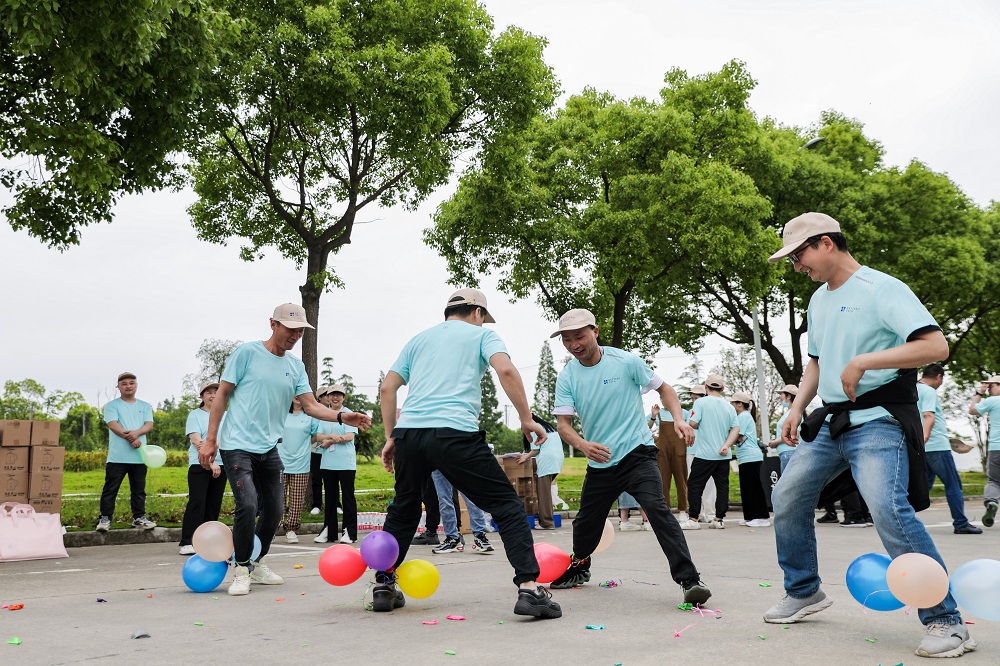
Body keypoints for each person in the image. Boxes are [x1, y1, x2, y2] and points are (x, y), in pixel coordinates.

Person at [764, 212, 974, 658]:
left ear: (825, 243)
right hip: (831, 422)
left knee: (887, 508)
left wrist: (865, 361)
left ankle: (946, 619)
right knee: (787, 496)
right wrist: (797, 408)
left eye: (798, 256)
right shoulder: (817, 300)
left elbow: (936, 346)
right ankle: (804, 590)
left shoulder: (882, 288)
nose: (796, 266)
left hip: (879, 420)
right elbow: (816, 361)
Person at [378, 289, 560, 618]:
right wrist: (526, 418)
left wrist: (392, 436)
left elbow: (388, 387)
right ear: (477, 312)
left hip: (410, 435)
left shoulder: (418, 339)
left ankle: (383, 585)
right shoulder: (483, 336)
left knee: (404, 510)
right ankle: (530, 589)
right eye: (483, 318)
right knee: (506, 505)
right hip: (454, 432)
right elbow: (506, 371)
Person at [198, 303, 370, 597]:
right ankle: (241, 568)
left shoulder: (295, 366)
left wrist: (343, 417)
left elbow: (312, 406)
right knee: (248, 504)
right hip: (236, 445)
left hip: (269, 448)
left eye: (300, 330)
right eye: (290, 329)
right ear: (273, 324)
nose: (295, 335)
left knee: (276, 510)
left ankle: (257, 561)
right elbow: (222, 395)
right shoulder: (247, 353)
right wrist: (211, 439)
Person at [547, 308, 711, 605]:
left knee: (657, 510)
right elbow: (563, 426)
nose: (574, 345)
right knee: (584, 525)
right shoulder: (568, 377)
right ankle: (580, 565)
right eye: (567, 340)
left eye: (579, 337)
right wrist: (583, 445)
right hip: (600, 461)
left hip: (637, 454)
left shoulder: (626, 361)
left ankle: (690, 580)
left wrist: (679, 419)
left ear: (595, 332)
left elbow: (665, 389)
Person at [919, 365, 979, 534]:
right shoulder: (928, 391)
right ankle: (961, 524)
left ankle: (897, 519)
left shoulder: (911, 390)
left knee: (923, 487)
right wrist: (927, 437)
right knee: (953, 485)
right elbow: (928, 416)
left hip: (921, 447)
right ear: (939, 376)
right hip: (936, 446)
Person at [96, 372, 157, 532]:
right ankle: (105, 518)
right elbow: (113, 424)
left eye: (131, 383)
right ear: (118, 386)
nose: (128, 386)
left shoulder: (145, 406)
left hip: (140, 456)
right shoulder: (112, 405)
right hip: (117, 457)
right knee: (110, 489)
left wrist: (136, 434)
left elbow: (148, 425)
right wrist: (131, 438)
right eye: (124, 383)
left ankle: (139, 518)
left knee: (139, 490)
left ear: (136, 385)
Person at [680, 374, 739, 530]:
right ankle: (718, 519)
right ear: (722, 389)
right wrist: (726, 445)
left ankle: (693, 519)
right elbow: (735, 429)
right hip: (723, 453)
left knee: (694, 485)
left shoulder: (700, 402)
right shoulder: (729, 407)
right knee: (722, 487)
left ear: (706, 387)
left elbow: (692, 423)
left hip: (705, 454)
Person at [179, 382, 228, 554]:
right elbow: (197, 441)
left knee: (214, 504)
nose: (213, 395)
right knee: (197, 502)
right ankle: (187, 541)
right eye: (209, 392)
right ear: (202, 396)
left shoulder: (226, 415)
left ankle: (207, 542)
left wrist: (216, 458)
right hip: (199, 463)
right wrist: (210, 462)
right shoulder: (195, 415)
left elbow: (228, 438)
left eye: (216, 392)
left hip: (222, 464)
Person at [314, 384, 360, 544]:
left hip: (345, 463)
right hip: (328, 462)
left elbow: (349, 436)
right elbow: (318, 436)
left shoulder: (348, 414)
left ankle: (349, 532)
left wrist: (331, 440)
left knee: (348, 497)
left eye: (339, 395)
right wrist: (330, 437)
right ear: (327, 397)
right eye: (332, 394)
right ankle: (329, 531)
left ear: (343, 397)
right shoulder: (324, 414)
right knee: (330, 498)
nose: (335, 397)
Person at [278, 394, 318, 543]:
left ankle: (291, 529)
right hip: (280, 462)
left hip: (301, 463)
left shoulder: (310, 417)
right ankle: (273, 528)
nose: (296, 396)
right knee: (278, 498)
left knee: (297, 499)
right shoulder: (281, 414)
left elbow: (315, 436)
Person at [730, 391, 770, 527]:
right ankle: (750, 516)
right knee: (747, 488)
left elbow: (736, 435)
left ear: (739, 404)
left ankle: (762, 517)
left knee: (754, 488)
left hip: (750, 456)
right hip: (745, 457)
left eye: (733, 403)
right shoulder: (743, 416)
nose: (731, 406)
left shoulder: (743, 416)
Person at [429, 471, 494, 553]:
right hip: (438, 465)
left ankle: (479, 536)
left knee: (471, 497)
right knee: (444, 501)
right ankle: (452, 539)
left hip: (460, 463)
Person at [518, 416, 564, 530]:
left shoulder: (534, 428)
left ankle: (547, 523)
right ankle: (548, 520)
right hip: (558, 460)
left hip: (546, 461)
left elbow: (536, 450)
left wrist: (525, 457)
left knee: (543, 494)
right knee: (546, 492)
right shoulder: (548, 427)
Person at [648, 402, 689, 522]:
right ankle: (666, 511)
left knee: (681, 481)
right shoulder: (658, 413)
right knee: (663, 481)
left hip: (679, 451)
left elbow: (690, 429)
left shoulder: (683, 413)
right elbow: (645, 428)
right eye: (662, 399)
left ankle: (683, 511)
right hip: (663, 452)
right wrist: (653, 417)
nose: (665, 401)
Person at [969, 374, 1000, 528]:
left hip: (996, 448)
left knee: (994, 480)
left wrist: (980, 393)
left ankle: (992, 501)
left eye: (991, 386)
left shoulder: (993, 400)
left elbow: (972, 410)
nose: (988, 389)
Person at [685, 385, 715, 522]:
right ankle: (698, 512)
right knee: (694, 484)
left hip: (707, 451)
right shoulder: (690, 412)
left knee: (709, 482)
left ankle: (710, 513)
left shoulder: (710, 411)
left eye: (696, 398)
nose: (694, 401)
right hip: (692, 451)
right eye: (692, 398)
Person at [308, 386, 331, 516]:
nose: (329, 398)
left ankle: (335, 504)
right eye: (326, 395)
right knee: (317, 479)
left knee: (332, 479)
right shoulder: (314, 414)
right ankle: (317, 504)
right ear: (320, 398)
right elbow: (312, 433)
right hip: (316, 450)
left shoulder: (333, 412)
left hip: (331, 450)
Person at [767, 385, 799, 472]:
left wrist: (775, 442)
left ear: (789, 396)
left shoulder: (794, 413)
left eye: (781, 394)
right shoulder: (790, 413)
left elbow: (794, 434)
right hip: (787, 453)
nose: (780, 397)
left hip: (789, 452)